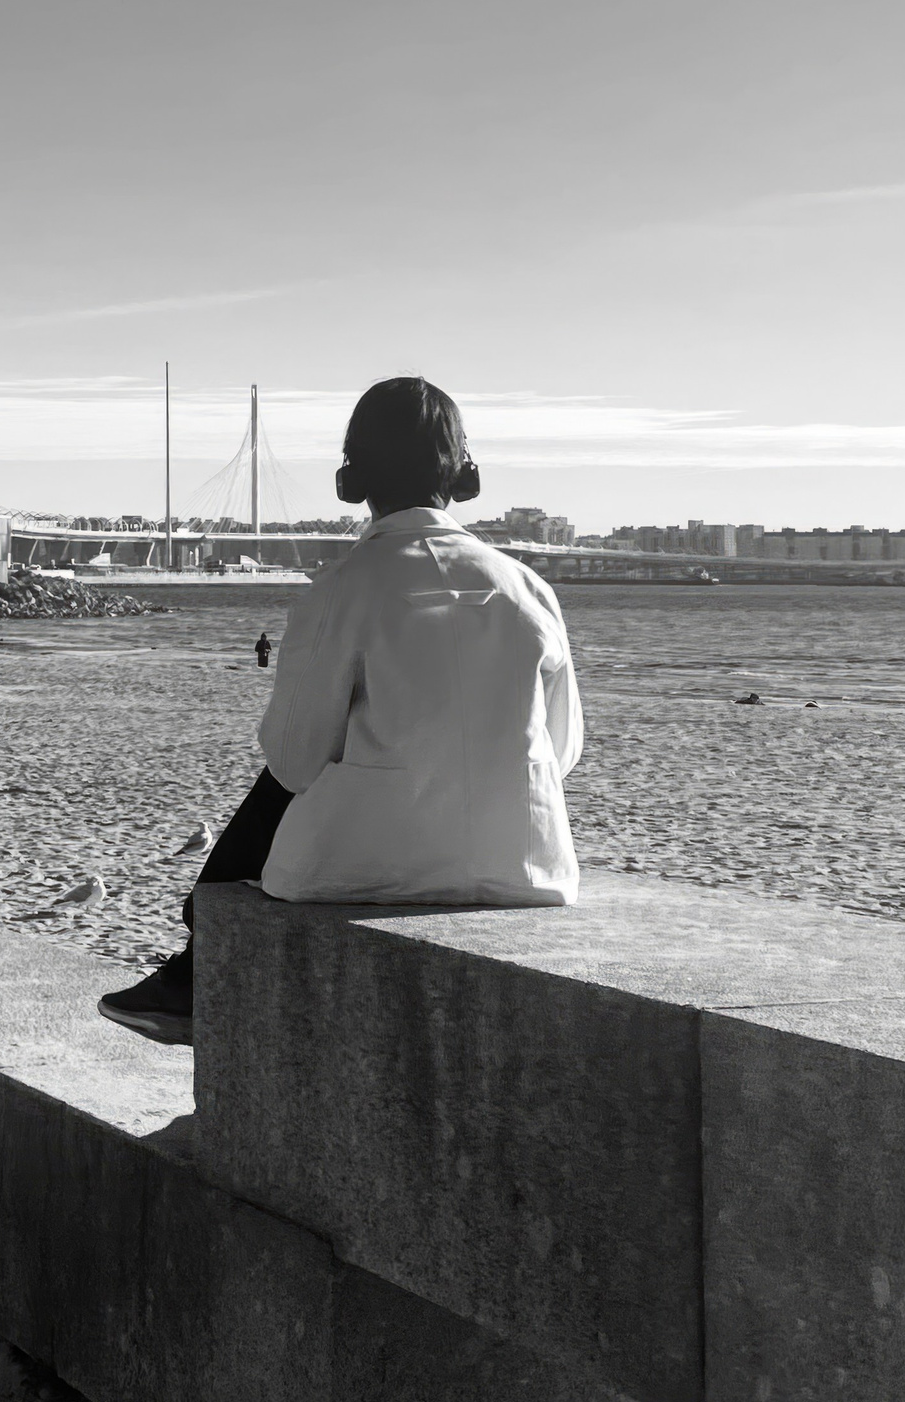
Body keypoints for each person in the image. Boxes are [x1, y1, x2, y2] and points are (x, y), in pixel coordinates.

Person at [99, 376, 583, 1045]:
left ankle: (192, 971)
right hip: (527, 865)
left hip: (368, 866)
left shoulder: (342, 590)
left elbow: (294, 760)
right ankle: (187, 973)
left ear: (351, 480)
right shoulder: (528, 588)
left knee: (277, 783)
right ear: (465, 474)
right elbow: (563, 749)